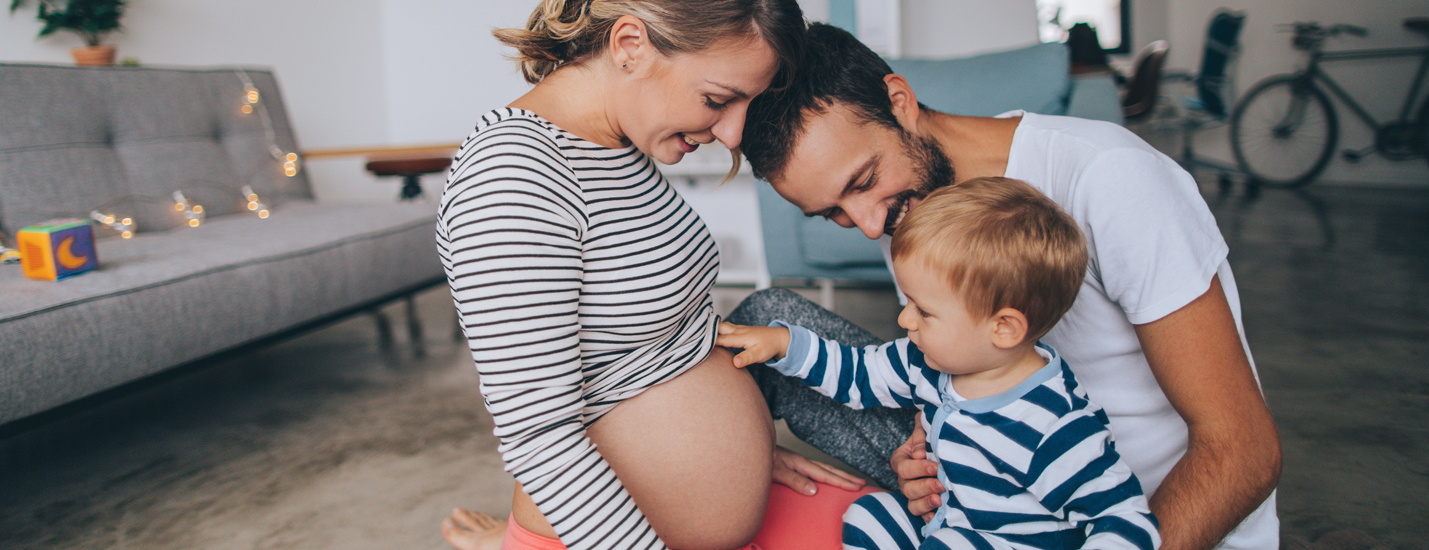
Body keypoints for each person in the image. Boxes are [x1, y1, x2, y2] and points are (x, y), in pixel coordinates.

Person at [728, 23, 1282, 550]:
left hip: (1132, 514)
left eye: (863, 181)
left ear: (899, 100)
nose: (869, 224)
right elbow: (949, 367)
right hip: (991, 497)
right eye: (833, 214)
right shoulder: (907, 210)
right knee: (768, 321)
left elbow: (1243, 451)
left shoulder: (1109, 177)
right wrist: (922, 453)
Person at [435, 3, 877, 550]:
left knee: (912, 528)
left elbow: (650, 350)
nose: (734, 133)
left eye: (746, 102)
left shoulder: (617, 140)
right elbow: (540, 437)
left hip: (719, 512)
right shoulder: (513, 179)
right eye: (717, 99)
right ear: (629, 46)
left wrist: (736, 455)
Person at [720, 177, 1160, 550]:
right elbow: (857, 373)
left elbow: (1125, 519)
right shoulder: (929, 361)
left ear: (1003, 328)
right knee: (871, 516)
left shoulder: (1053, 425)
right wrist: (783, 343)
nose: (904, 319)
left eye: (923, 311)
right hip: (947, 525)